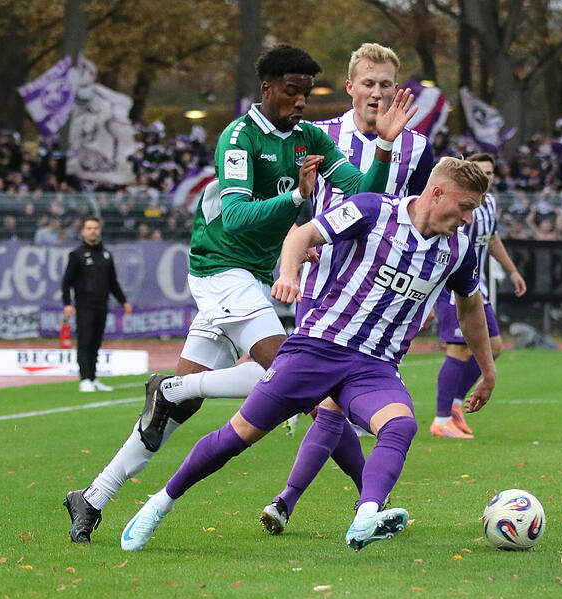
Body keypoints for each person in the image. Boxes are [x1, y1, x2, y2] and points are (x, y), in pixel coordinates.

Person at [63, 43, 416, 543]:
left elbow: (366, 199)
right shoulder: (238, 137)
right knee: (292, 378)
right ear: (267, 89)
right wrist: (296, 196)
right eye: (292, 92)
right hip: (220, 270)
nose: (300, 103)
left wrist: (383, 147)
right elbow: (234, 216)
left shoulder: (309, 137)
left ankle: (93, 496)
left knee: (177, 417)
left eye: (306, 94)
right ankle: (173, 388)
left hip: (251, 273)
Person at [120, 157, 496, 553]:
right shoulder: (373, 210)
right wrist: (288, 273)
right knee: (238, 437)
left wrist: (487, 372)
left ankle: (366, 516)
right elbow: (300, 236)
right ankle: (158, 504)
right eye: (466, 206)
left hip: (374, 366)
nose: (468, 219)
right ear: (437, 193)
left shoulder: (457, 250)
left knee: (400, 426)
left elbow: (470, 309)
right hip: (317, 348)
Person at [261, 42, 434, 532]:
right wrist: (295, 246)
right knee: (323, 401)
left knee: (329, 403)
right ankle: (363, 502)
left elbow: (425, 215)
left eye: (385, 85)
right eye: (369, 84)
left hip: (377, 295)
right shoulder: (321, 135)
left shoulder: (417, 147)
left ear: (395, 89)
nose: (376, 93)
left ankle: (302, 502)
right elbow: (292, 199)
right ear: (350, 87)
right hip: (322, 285)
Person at [431, 153, 526, 438]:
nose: (488, 176)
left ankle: (456, 404)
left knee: (494, 347)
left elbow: (493, 239)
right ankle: (441, 418)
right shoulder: (460, 206)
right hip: (454, 288)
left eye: (491, 172)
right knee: (458, 350)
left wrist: (512, 271)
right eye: (482, 171)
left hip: (479, 287)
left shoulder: (490, 203)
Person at [61, 216, 133, 393]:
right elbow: (66, 282)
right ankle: (84, 378)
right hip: (84, 304)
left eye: (95, 228)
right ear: (83, 232)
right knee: (85, 341)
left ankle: (93, 378)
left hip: (102, 304)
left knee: (96, 342)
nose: (92, 231)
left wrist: (123, 301)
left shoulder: (106, 254)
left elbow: (112, 282)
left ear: (99, 230)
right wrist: (67, 303)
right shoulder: (76, 255)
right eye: (89, 228)